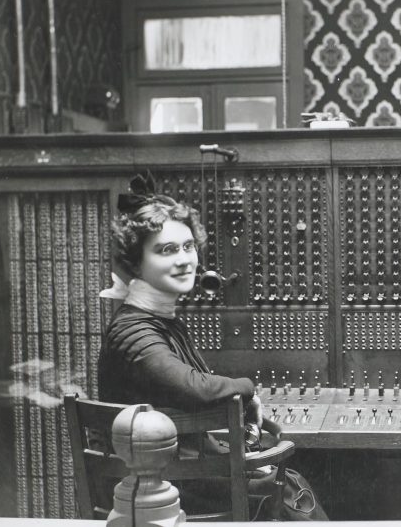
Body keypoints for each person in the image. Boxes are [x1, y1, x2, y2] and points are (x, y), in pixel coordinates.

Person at [97, 173, 327, 520]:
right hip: (160, 491)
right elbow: (194, 386)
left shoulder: (161, 321)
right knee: (289, 489)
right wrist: (248, 390)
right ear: (136, 262)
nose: (185, 259)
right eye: (167, 250)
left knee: (289, 483)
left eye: (188, 247)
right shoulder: (133, 331)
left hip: (180, 475)